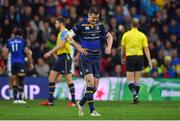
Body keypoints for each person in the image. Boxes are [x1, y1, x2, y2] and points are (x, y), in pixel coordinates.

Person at [67, 6, 113, 116]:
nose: (95, 20)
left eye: (96, 18)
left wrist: (109, 47)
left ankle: (81, 103)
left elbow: (109, 36)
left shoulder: (100, 25)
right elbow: (68, 36)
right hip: (86, 58)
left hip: (97, 58)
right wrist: (78, 48)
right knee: (90, 83)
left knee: (95, 88)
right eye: (93, 18)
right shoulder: (81, 25)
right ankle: (92, 111)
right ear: (88, 15)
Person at [40, 16, 87, 106]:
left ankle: (73, 102)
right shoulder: (60, 33)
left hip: (65, 57)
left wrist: (50, 53)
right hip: (60, 58)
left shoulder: (65, 32)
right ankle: (50, 101)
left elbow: (61, 45)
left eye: (56, 23)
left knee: (68, 79)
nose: (55, 24)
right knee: (51, 78)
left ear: (61, 23)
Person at [121, 18, 152, 104]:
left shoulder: (126, 35)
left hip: (130, 57)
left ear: (131, 25)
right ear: (138, 25)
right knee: (137, 80)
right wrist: (149, 61)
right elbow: (146, 49)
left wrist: (122, 57)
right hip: (140, 57)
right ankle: (135, 98)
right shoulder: (142, 35)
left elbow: (123, 48)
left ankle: (135, 96)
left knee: (130, 79)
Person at [6, 29, 33, 104]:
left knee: (14, 80)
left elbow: (5, 53)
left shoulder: (9, 41)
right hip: (20, 62)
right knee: (21, 80)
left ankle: (15, 99)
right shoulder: (23, 41)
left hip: (13, 63)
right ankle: (20, 99)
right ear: (21, 35)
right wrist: (30, 64)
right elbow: (27, 52)